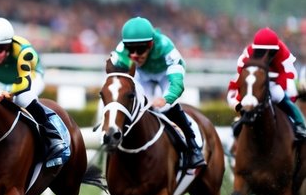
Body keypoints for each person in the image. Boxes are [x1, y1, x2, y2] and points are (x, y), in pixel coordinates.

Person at [110, 16, 204, 169]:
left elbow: (177, 84)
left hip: (164, 74)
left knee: (166, 106)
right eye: (130, 49)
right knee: (136, 105)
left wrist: (167, 98)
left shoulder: (165, 47)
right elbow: (113, 80)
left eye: (140, 49)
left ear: (151, 44)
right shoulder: (121, 51)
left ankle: (193, 147)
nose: (134, 55)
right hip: (141, 74)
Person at [0, 17, 69, 168]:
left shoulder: (24, 53)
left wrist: (9, 93)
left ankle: (53, 137)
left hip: (30, 77)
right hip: (1, 79)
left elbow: (24, 83)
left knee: (23, 99)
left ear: (8, 47)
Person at [226, 27, 306, 142]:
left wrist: (277, 85)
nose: (264, 56)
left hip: (276, 81)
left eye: (269, 52)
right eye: (260, 51)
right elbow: (240, 78)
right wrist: (238, 102)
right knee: (248, 99)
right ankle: (240, 126)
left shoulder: (282, 52)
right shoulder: (247, 53)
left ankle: (299, 123)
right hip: (256, 83)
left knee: (277, 94)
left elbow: (290, 76)